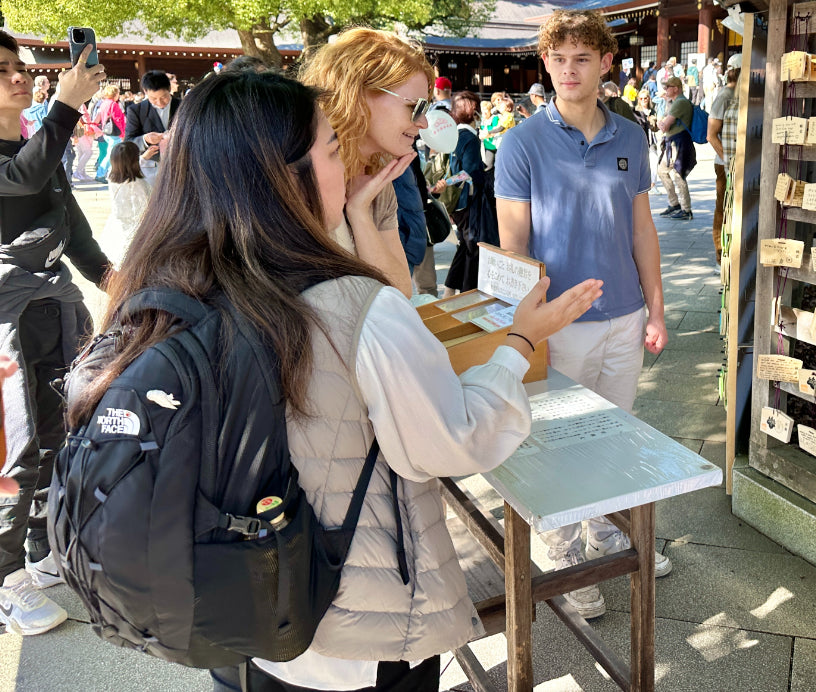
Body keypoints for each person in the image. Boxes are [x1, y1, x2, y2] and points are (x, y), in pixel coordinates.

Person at [61, 68, 601, 692]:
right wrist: (519, 343)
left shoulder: (161, 286)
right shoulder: (354, 307)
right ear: (281, 177)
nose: (345, 164)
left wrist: (357, 212)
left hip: (230, 615)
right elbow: (453, 440)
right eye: (331, 150)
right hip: (352, 631)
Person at [495, 9, 669, 621]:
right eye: (559, 59)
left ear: (605, 64)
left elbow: (641, 228)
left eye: (582, 59)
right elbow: (514, 246)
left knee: (614, 430)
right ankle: (563, 555)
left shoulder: (630, 137)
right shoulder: (521, 142)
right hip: (558, 321)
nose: (569, 71)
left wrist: (656, 307)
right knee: (557, 440)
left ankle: (603, 532)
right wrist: (527, 330)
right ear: (546, 63)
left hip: (624, 314)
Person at [0, 32, 109, 634]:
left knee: (56, 432)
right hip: (5, 318)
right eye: (3, 70)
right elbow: (20, 179)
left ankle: (41, 548)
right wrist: (65, 105)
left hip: (49, 309)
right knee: (12, 445)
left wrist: (111, 276)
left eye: (20, 66)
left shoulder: (36, 146)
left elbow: (71, 222)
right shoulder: (31, 153)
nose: (19, 76)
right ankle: (4, 577)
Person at [298, 27, 432, 298]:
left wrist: (359, 211)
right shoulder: (297, 176)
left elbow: (400, 292)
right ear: (358, 96)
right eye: (415, 107)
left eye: (426, 108)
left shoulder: (376, 178)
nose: (424, 123)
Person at [437, 91, 489, 295]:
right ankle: (467, 294)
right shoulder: (470, 138)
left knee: (464, 247)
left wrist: (446, 183)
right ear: (473, 111)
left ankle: (449, 290)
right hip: (468, 200)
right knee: (473, 249)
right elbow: (469, 171)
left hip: (455, 201)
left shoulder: (454, 136)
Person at [96, 141, 152, 268]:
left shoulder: (112, 175)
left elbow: (125, 164)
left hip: (117, 224)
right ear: (134, 161)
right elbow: (145, 208)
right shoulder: (138, 184)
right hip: (136, 229)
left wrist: (143, 159)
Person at [707, 66, 739, 265]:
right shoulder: (725, 96)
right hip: (725, 163)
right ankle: (720, 255)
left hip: (732, 162)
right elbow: (711, 135)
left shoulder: (736, 94)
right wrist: (729, 163)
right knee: (723, 208)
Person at [124, 70, 180, 186]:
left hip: (180, 166)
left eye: (164, 97)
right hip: (151, 170)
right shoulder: (136, 111)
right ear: (145, 92)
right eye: (153, 98)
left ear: (169, 89)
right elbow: (128, 142)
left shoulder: (183, 107)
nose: (159, 102)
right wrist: (145, 139)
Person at [657, 76, 696, 221]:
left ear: (676, 88)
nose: (665, 89)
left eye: (668, 87)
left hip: (678, 144)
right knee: (663, 171)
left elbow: (664, 126)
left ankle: (686, 209)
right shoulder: (677, 102)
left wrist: (660, 123)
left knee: (678, 175)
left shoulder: (680, 103)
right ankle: (675, 204)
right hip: (675, 143)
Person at [92, 83, 125, 182]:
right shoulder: (113, 104)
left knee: (111, 154)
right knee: (111, 155)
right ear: (115, 94)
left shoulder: (103, 103)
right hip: (115, 133)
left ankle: (109, 173)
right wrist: (123, 133)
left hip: (107, 132)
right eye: (118, 93)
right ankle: (100, 174)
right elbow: (117, 119)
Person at [479, 92, 515, 169]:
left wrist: (488, 132)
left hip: (503, 142)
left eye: (500, 101)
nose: (498, 103)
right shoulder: (500, 114)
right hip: (493, 144)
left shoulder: (507, 116)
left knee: (500, 165)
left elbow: (500, 128)